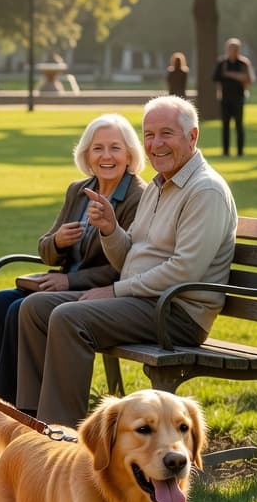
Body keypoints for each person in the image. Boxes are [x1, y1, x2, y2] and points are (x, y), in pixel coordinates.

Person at [16, 95, 237, 429]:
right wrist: (110, 229)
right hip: (143, 301)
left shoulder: (204, 191)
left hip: (176, 312)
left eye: (166, 134)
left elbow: (184, 271)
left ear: (192, 137)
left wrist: (115, 291)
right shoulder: (160, 185)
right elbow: (131, 253)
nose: (155, 144)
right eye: (149, 135)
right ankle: (31, 424)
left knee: (67, 318)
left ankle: (61, 436)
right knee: (35, 308)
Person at [0, 114, 146, 404]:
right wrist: (58, 241)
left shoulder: (138, 197)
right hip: (56, 285)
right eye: (98, 148)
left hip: (94, 293)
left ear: (130, 154)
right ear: (87, 155)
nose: (106, 156)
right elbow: (45, 249)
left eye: (115, 148)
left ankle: (6, 406)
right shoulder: (78, 190)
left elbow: (125, 266)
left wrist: (69, 279)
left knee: (17, 309)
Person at [212, 38, 254, 156]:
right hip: (225, 98)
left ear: (239, 50)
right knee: (225, 125)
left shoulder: (243, 63)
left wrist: (230, 74)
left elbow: (249, 79)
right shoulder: (222, 63)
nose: (233, 51)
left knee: (239, 125)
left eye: (235, 49)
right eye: (230, 49)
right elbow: (215, 78)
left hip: (239, 98)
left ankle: (240, 151)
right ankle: (225, 151)